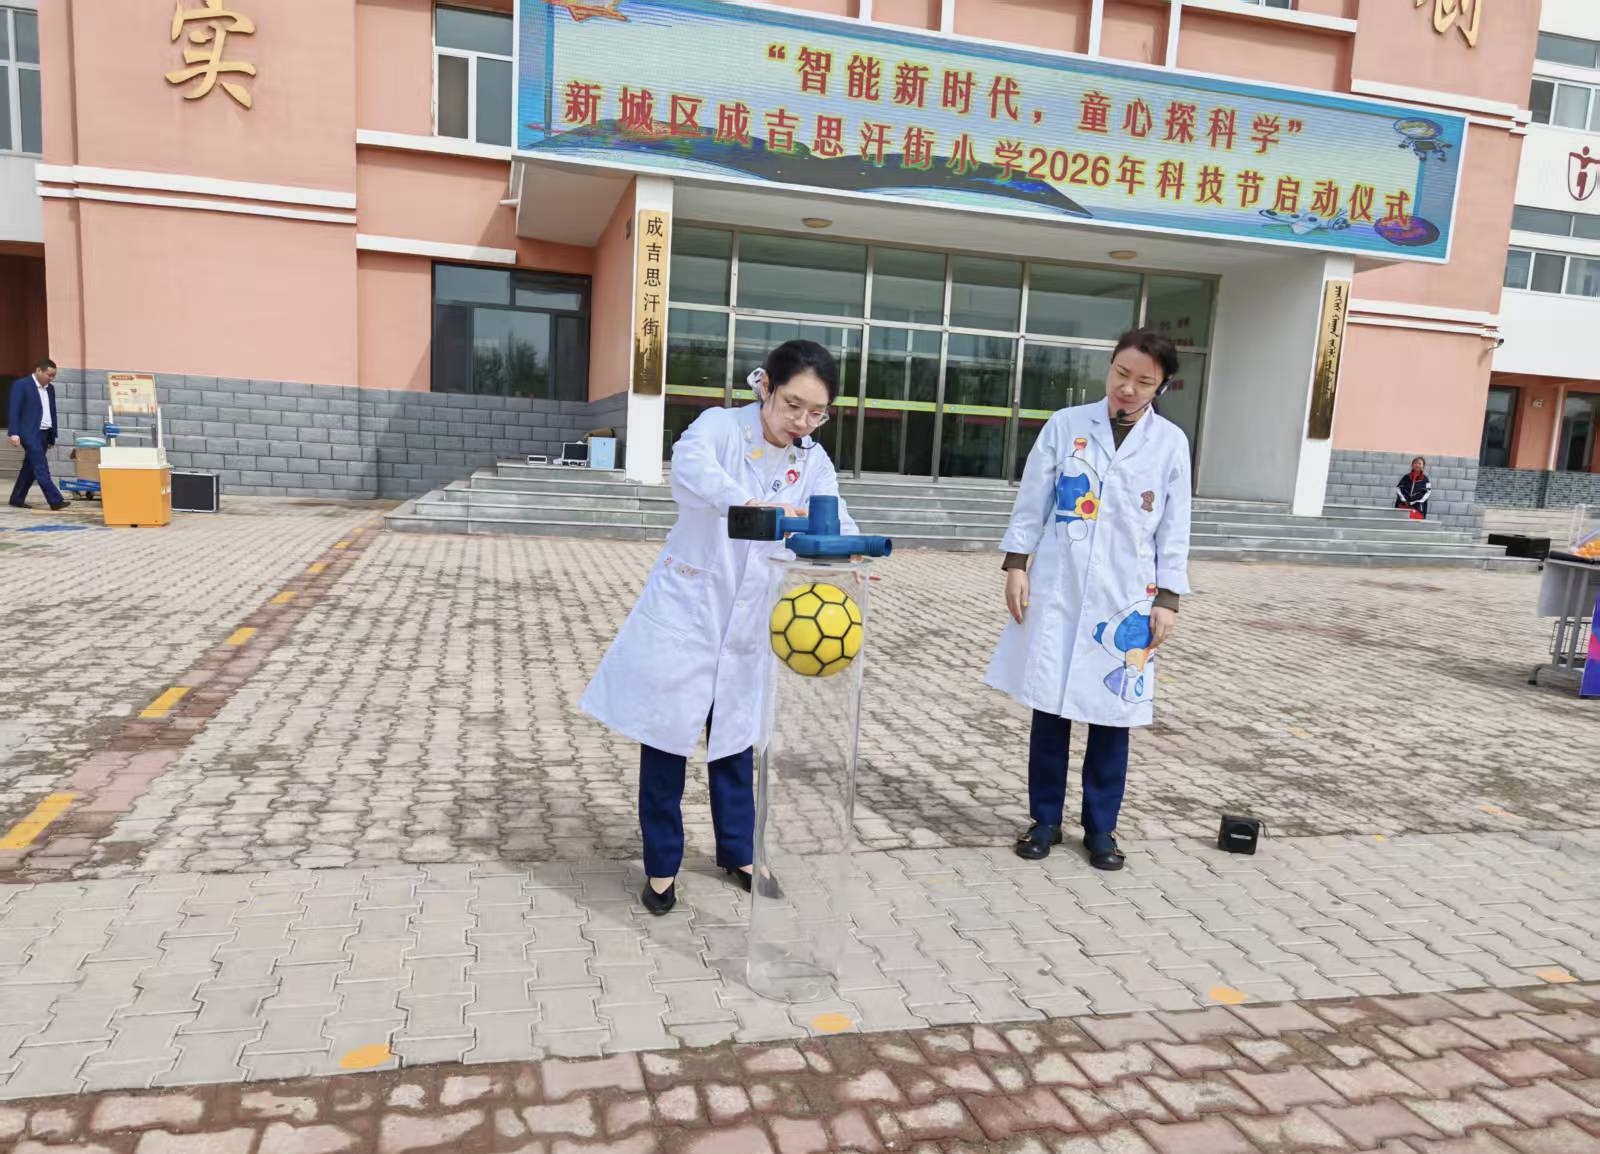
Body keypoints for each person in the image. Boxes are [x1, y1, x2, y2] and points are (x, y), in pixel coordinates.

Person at [581, 339, 859, 915]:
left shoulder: (812, 460)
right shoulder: (719, 429)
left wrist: (849, 557)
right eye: (793, 405)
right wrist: (758, 505)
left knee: (735, 743)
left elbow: (834, 516)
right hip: (690, 612)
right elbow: (691, 470)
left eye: (817, 413)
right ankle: (661, 867)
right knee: (666, 743)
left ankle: (740, 853)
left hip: (750, 621)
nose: (802, 422)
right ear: (766, 387)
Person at [986, 329, 1191, 872]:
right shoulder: (1066, 425)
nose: (1128, 388)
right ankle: (1044, 821)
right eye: (1121, 373)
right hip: (1062, 586)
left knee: (1112, 715)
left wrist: (1168, 597)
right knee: (1049, 710)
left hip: (1128, 596)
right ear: (1110, 366)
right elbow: (1033, 500)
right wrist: (1017, 565)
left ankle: (1101, 829)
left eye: (1143, 381)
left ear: (1161, 386)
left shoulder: (1170, 443)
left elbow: (1175, 527)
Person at [8, 357, 66, 512]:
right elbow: (14, 410)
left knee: (30, 467)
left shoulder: (50, 389)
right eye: (49, 375)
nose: (51, 378)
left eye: (54, 375)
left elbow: (52, 412)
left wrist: (53, 435)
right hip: (29, 432)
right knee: (41, 466)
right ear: (39, 370)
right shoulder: (21, 385)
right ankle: (55, 500)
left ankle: (17, 498)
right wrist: (14, 433)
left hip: (45, 433)